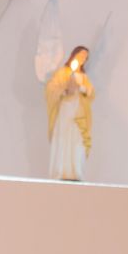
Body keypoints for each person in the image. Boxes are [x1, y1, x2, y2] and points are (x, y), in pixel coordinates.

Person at [45, 46, 94, 180]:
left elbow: (91, 92)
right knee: (64, 138)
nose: (83, 59)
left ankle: (75, 170)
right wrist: (64, 90)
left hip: (78, 113)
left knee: (77, 140)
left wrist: (81, 88)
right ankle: (62, 169)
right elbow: (51, 88)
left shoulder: (83, 77)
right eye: (81, 55)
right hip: (65, 111)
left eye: (85, 57)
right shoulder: (63, 73)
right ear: (74, 55)